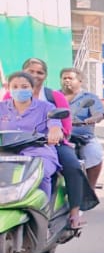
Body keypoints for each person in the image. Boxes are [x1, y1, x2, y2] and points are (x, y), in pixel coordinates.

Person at [22, 58, 92, 226]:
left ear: (45, 76)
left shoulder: (53, 97)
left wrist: (55, 134)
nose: (35, 75)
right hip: (18, 145)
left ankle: (74, 213)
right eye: (31, 71)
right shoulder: (10, 96)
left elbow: (65, 125)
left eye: (40, 72)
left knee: (72, 166)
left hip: (50, 144)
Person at [4, 70, 65, 198]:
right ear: (8, 89)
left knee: (40, 174)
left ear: (32, 89)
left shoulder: (46, 107)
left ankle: (43, 208)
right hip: (5, 152)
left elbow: (54, 123)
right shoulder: (1, 108)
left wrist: (55, 131)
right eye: (15, 87)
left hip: (38, 151)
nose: (19, 90)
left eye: (24, 87)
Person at [59, 67, 104, 191]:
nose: (67, 81)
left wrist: (92, 119)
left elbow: (99, 113)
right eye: (64, 78)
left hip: (83, 137)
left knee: (94, 153)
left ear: (80, 81)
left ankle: (90, 189)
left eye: (70, 78)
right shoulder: (54, 96)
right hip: (58, 137)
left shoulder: (89, 97)